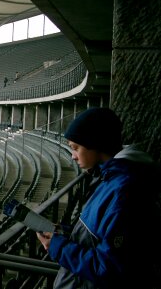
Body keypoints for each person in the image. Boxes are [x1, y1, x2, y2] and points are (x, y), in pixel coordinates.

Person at [36, 107, 161, 289]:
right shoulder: (109, 178)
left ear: (94, 144)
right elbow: (101, 234)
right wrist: (66, 232)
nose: (72, 156)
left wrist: (58, 247)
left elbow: (108, 266)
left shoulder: (124, 190)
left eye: (76, 148)